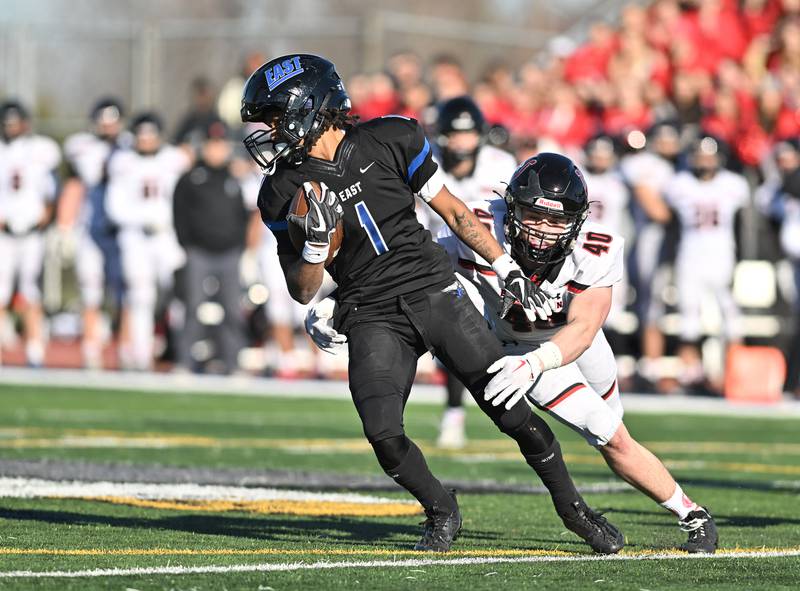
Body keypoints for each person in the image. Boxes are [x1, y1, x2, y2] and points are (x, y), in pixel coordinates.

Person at [243, 54, 623, 554]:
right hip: (369, 311)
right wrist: (314, 250)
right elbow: (302, 287)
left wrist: (507, 268)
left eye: (275, 115)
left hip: (433, 290)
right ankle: (441, 508)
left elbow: (455, 212)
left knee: (509, 410)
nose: (269, 130)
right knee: (382, 433)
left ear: (309, 107)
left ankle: (576, 511)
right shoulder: (280, 191)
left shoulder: (391, 138)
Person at [441, 153, 719, 553]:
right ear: (512, 208)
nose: (542, 230)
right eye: (534, 215)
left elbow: (585, 328)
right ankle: (691, 513)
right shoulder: (478, 225)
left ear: (578, 222)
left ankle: (692, 512)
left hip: (570, 346)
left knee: (618, 434)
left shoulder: (596, 248)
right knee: (608, 433)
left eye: (557, 221)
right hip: (516, 346)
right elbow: (410, 264)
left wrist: (536, 362)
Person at [421, 96, 518, 449]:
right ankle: (453, 411)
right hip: (439, 258)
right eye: (456, 134)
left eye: (469, 133)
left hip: (491, 260)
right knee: (450, 337)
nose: (463, 141)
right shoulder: (425, 160)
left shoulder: (501, 164)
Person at [106, 113, 191, 371]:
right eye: (142, 135)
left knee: (178, 295)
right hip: (136, 237)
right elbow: (114, 206)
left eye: (150, 135)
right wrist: (141, 218)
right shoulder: (123, 161)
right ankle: (142, 355)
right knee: (140, 297)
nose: (146, 140)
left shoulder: (175, 159)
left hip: (168, 236)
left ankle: (178, 351)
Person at [664, 136, 748, 390]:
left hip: (722, 254)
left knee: (730, 314)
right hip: (690, 254)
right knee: (689, 315)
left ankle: (736, 374)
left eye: (709, 156)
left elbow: (745, 224)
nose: (705, 161)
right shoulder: (679, 184)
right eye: (700, 155)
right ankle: (691, 373)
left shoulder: (733, 184)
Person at [173, 119, 249, 374]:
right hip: (199, 252)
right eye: (212, 144)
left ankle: (233, 362)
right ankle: (184, 361)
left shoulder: (235, 178)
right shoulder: (192, 178)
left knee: (232, 310)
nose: (217, 150)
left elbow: (244, 215)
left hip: (229, 253)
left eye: (221, 144)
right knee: (193, 306)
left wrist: (241, 246)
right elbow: (179, 213)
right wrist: (187, 244)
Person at [60, 97, 130, 369]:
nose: (108, 127)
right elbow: (74, 184)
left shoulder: (130, 147)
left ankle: (127, 349)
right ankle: (91, 351)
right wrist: (65, 225)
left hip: (123, 231)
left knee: (128, 293)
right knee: (90, 291)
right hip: (91, 228)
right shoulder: (82, 148)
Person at [0, 101, 60, 367]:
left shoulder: (40, 151)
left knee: (30, 291)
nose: (11, 128)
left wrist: (47, 215)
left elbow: (51, 191)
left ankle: (35, 350)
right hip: (4, 232)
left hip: (32, 233)